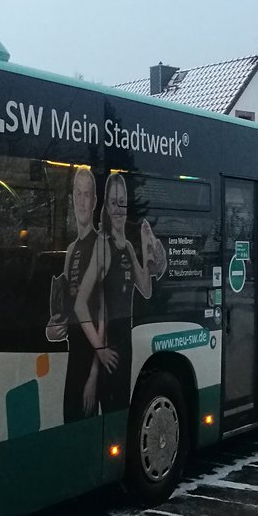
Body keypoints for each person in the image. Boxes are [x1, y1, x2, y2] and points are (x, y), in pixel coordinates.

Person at [74, 173, 165, 413]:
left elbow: (145, 289)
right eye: (113, 202)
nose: (119, 209)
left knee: (121, 410)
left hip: (127, 350)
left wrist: (146, 246)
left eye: (123, 202)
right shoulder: (104, 245)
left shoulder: (126, 248)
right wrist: (100, 350)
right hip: (110, 352)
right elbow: (81, 304)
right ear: (105, 206)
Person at [46, 168, 102, 422]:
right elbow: (65, 312)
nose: (81, 200)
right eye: (77, 194)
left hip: (92, 361)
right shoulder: (70, 250)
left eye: (86, 194)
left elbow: (107, 317)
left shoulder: (102, 246)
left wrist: (94, 376)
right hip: (73, 359)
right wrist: (51, 328)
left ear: (94, 201)